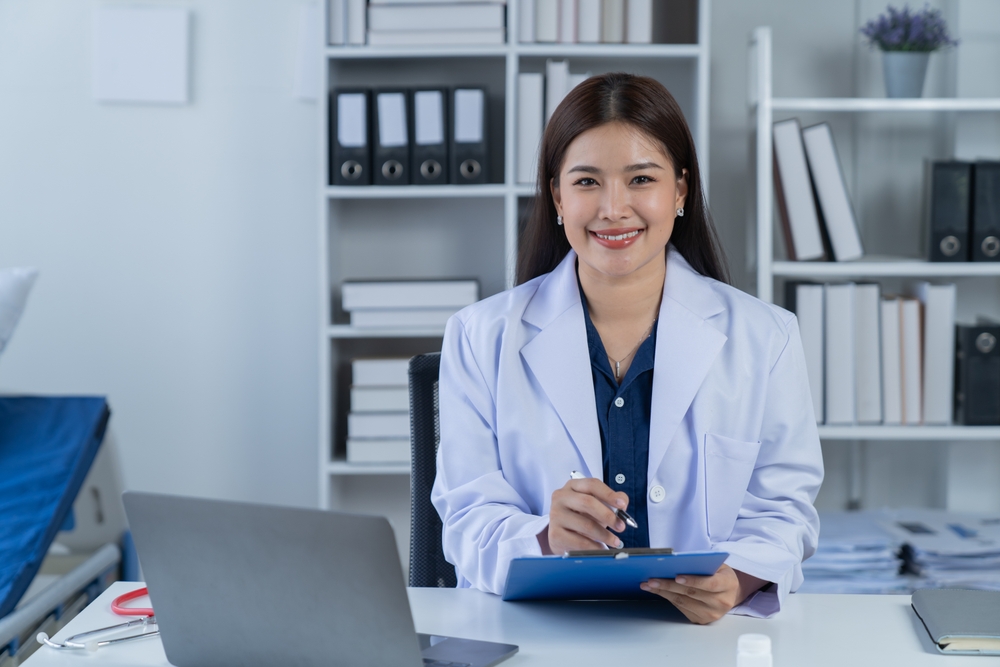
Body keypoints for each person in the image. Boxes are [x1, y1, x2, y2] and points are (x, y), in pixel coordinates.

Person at [431, 72, 823, 623]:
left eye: (641, 179)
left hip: (698, 645)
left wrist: (735, 582)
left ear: (681, 190)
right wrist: (545, 537)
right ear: (556, 196)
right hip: (539, 638)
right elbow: (466, 519)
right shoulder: (478, 335)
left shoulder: (767, 337)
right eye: (587, 182)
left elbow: (786, 511)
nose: (614, 209)